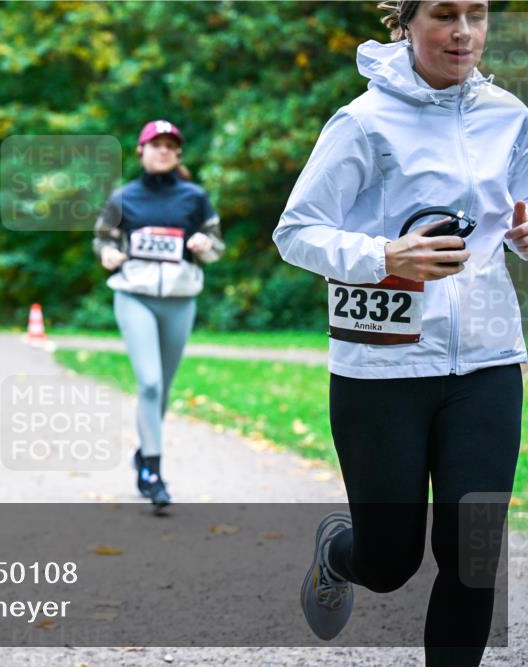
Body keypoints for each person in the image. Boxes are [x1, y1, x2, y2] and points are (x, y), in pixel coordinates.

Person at [273, 1, 526, 663]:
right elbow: (295, 232)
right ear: (406, 23)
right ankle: (339, 554)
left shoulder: (509, 116)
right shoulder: (364, 122)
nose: (464, 32)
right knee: (388, 561)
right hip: (383, 368)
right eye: (445, 14)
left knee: (474, 552)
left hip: (488, 361)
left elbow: (514, 220)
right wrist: (385, 256)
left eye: (477, 14)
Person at [93, 119, 225, 513]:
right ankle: (154, 473)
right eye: (156, 144)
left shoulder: (194, 197)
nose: (163, 150)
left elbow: (217, 245)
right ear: (141, 151)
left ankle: (142, 454)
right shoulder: (123, 197)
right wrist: (107, 254)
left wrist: (204, 244)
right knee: (149, 384)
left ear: (178, 153)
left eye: (170, 145)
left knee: (162, 389)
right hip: (134, 296)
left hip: (180, 301)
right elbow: (102, 238)